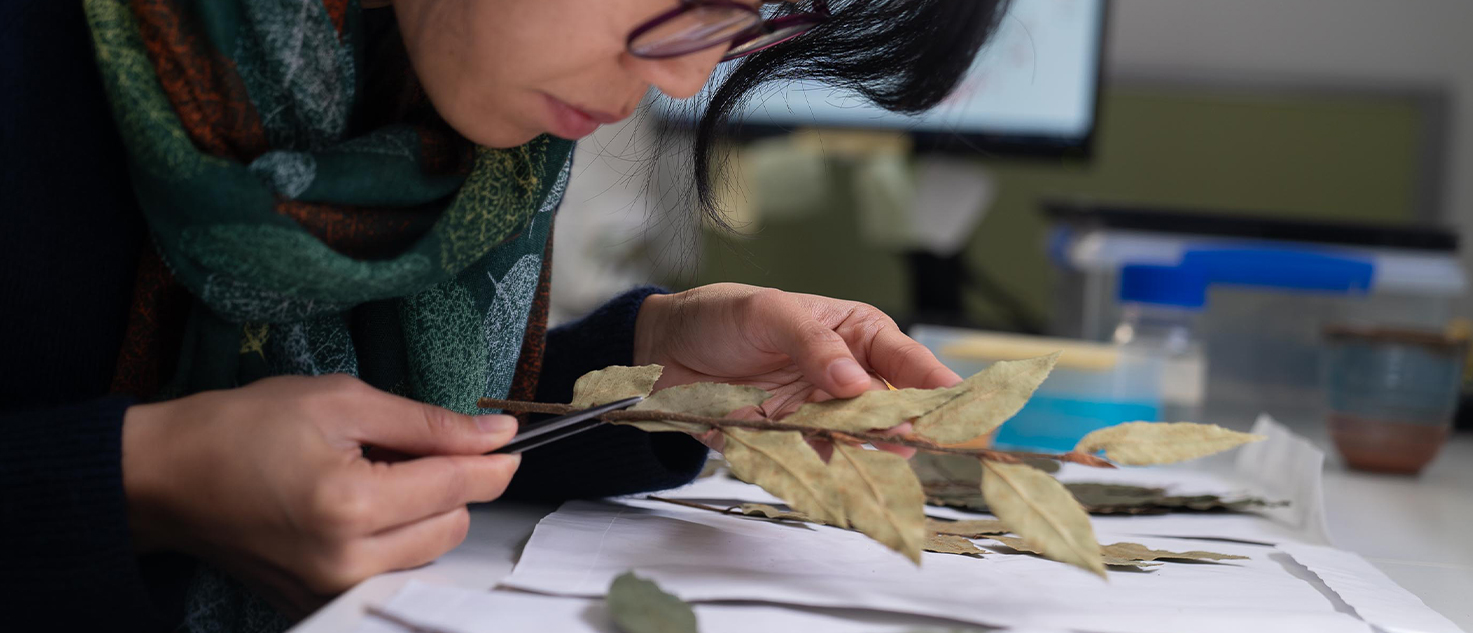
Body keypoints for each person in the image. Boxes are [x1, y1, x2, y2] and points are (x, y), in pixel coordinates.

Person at [0, 0, 1009, 630]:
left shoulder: (448, 118)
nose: (684, 75)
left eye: (744, 15)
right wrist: (142, 481)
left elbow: (369, 426)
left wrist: (643, 375)